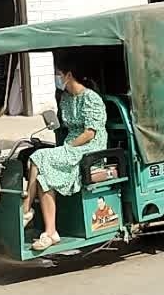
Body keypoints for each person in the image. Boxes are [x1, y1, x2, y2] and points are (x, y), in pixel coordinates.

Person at [22, 53, 107, 252]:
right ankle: (51, 231)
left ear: (68, 75)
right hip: (71, 147)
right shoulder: (66, 98)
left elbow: (89, 133)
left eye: (59, 74)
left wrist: (67, 148)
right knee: (43, 175)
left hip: (88, 148)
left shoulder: (92, 99)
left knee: (40, 157)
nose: (57, 78)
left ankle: (26, 209)